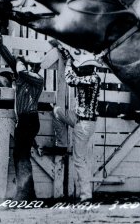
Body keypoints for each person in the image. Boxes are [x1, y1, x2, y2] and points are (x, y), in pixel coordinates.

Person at [0, 29, 44, 200]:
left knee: (21, 155)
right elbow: (13, 61)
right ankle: (26, 192)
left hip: (28, 120)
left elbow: (21, 70)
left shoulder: (36, 78)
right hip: (27, 119)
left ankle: (25, 193)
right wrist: (0, 44)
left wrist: (19, 63)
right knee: (21, 154)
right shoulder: (29, 76)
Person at [52, 41, 101, 202]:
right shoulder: (93, 77)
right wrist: (66, 53)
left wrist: (68, 61)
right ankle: (62, 142)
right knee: (57, 111)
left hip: (83, 123)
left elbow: (70, 79)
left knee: (79, 159)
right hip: (83, 120)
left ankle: (86, 195)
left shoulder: (92, 79)